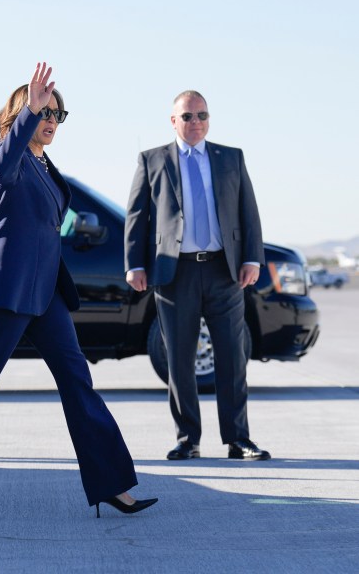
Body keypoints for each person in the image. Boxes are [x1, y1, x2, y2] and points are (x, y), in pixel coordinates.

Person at [0, 63, 157, 520]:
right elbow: (6, 159)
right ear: (19, 117)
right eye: (43, 111)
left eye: (57, 114)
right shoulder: (11, 159)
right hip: (7, 291)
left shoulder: (45, 165)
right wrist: (28, 112)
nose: (50, 120)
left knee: (77, 379)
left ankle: (112, 484)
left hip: (46, 295)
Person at [124, 90, 269, 462]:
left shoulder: (230, 158)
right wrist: (135, 264)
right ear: (173, 120)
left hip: (224, 271)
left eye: (202, 115)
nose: (196, 122)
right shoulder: (152, 159)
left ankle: (239, 439)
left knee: (232, 358)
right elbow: (137, 216)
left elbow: (248, 213)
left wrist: (253, 258)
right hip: (175, 273)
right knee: (180, 360)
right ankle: (188, 439)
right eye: (187, 116)